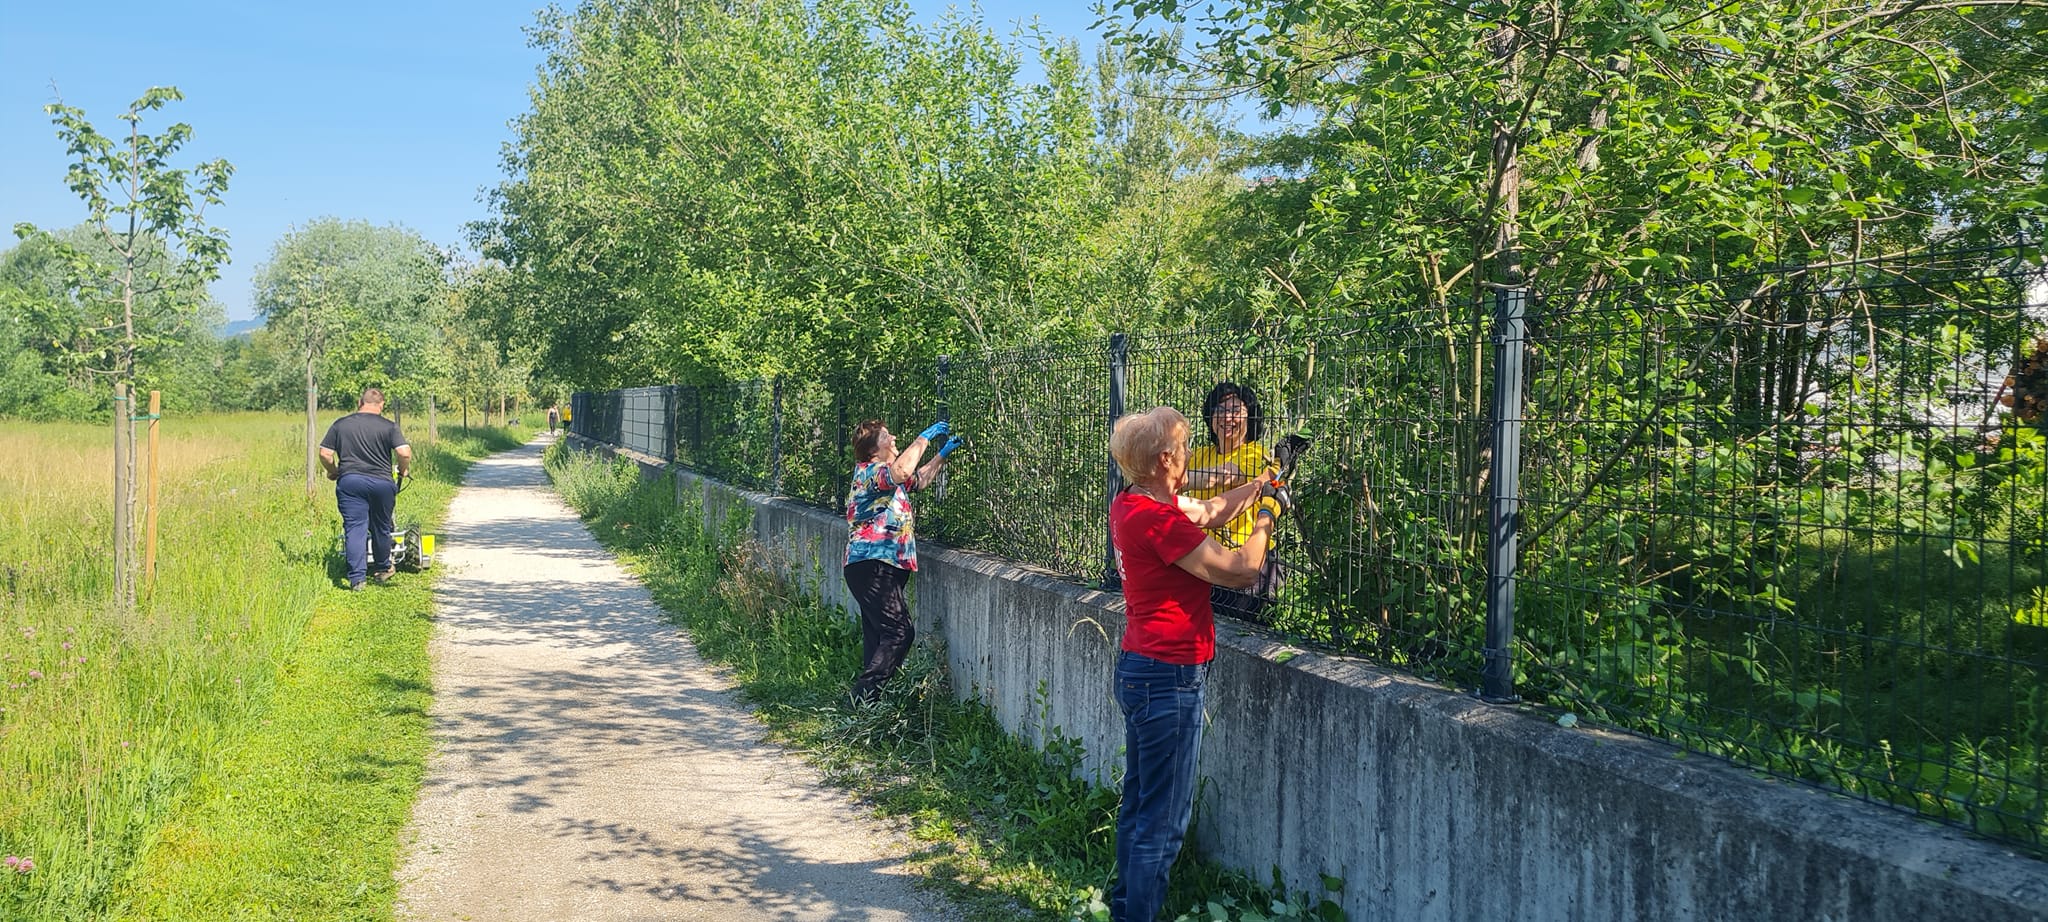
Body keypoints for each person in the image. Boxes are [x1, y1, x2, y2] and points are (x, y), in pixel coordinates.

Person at [1106, 406, 1283, 922]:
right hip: (1169, 679)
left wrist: (1261, 483)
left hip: (1140, 667)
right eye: (1184, 448)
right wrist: (1269, 516)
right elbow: (1243, 570)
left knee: (1140, 808)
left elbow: (1209, 512)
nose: (1190, 454)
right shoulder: (1157, 521)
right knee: (1162, 827)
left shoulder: (1131, 504)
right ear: (1166, 460)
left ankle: (1124, 911)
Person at [843, 417, 963, 703]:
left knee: (879, 637)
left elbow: (917, 479)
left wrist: (942, 454)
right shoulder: (870, 472)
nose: (894, 438)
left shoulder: (886, 477)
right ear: (874, 449)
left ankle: (870, 707)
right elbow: (902, 470)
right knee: (900, 631)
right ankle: (861, 697)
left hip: (881, 567)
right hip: (872, 565)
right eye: (887, 437)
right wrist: (924, 437)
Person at [1183, 381, 1281, 622]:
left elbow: (1222, 476)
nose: (1227, 417)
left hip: (1251, 562)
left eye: (1236, 410)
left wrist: (1174, 479)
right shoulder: (1200, 455)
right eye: (1220, 410)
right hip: (1209, 562)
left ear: (1251, 418)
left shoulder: (1257, 453)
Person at [319, 387, 414, 592]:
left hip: (350, 482)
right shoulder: (389, 426)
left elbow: (325, 453)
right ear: (381, 405)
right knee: (381, 526)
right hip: (381, 483)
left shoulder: (341, 424)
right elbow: (404, 453)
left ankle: (357, 580)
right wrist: (403, 470)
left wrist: (333, 471)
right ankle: (382, 568)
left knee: (355, 528)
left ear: (359, 403)